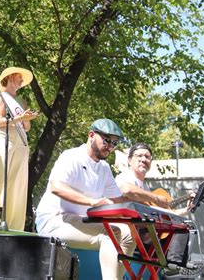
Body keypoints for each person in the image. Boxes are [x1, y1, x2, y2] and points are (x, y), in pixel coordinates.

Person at [35, 118, 135, 279]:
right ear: (91, 135)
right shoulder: (71, 156)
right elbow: (56, 187)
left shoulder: (104, 168)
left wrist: (148, 206)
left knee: (129, 234)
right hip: (54, 221)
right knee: (111, 233)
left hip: (81, 221)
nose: (110, 146)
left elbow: (118, 199)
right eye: (107, 140)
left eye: (114, 143)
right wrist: (92, 202)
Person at [115, 142, 195, 269]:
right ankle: (173, 269)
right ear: (129, 160)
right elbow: (126, 190)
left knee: (182, 226)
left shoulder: (144, 186)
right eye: (139, 156)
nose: (144, 159)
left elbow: (160, 212)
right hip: (127, 235)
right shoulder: (125, 176)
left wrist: (187, 209)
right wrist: (156, 198)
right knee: (180, 230)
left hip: (144, 234)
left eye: (147, 157)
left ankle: (176, 268)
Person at [0, 67, 38, 231]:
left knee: (17, 188)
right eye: (20, 77)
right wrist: (21, 118)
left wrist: (28, 119)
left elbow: (26, 127)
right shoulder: (0, 97)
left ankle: (14, 229)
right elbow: (0, 122)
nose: (21, 81)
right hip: (3, 140)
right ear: (11, 77)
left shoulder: (21, 101)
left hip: (20, 143)